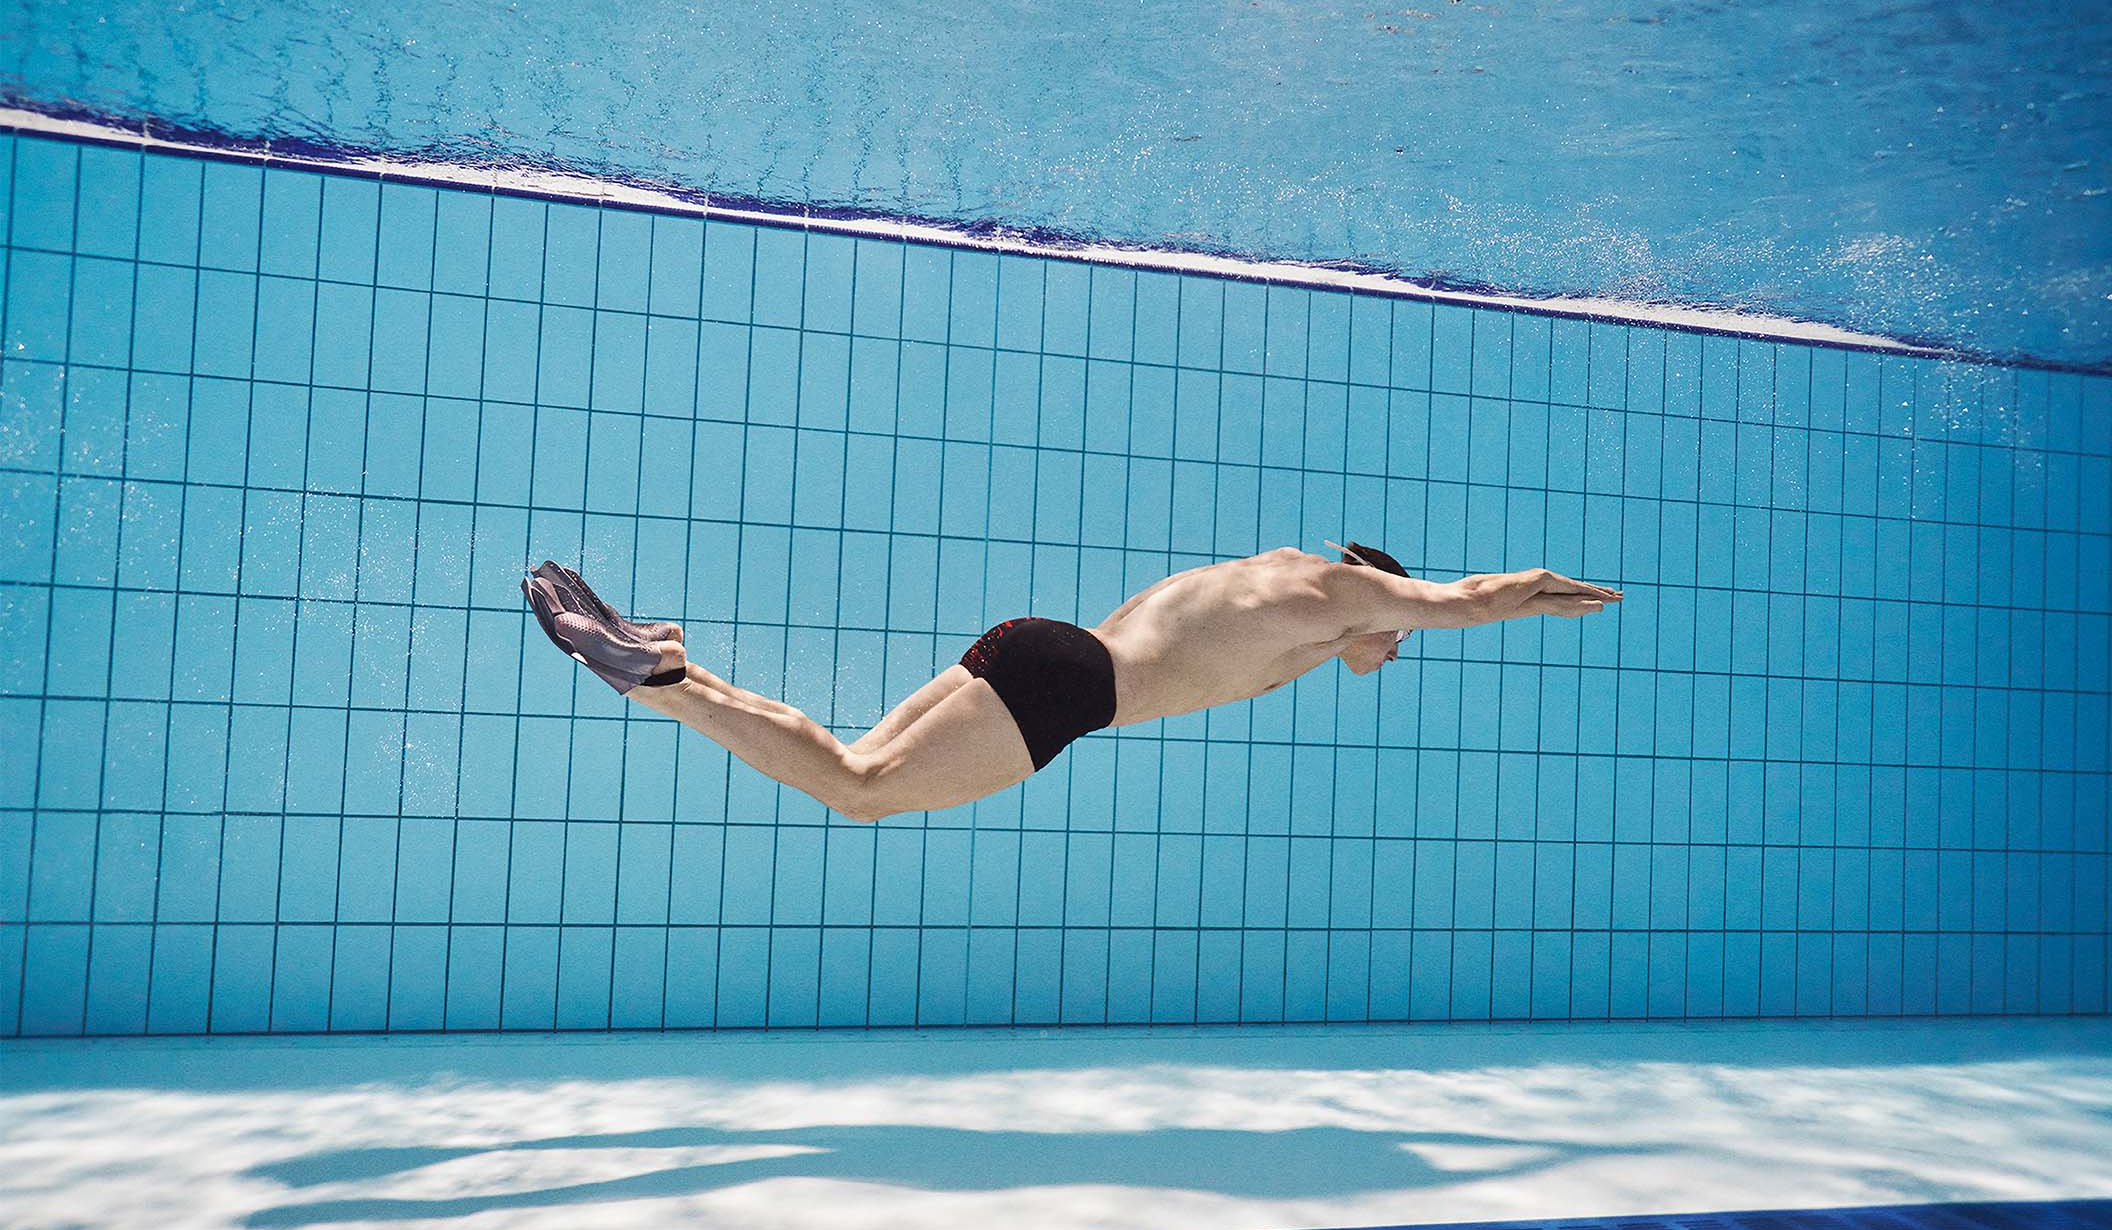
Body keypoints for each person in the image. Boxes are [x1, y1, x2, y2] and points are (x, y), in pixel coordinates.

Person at [523, 543, 1620, 823]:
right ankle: (658, 675)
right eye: (1397, 629)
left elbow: (1332, 643)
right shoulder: (1344, 598)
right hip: (1070, 689)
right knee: (858, 793)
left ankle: (666, 660)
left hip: (1038, 645)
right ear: (1382, 597)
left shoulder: (1278, 583)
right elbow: (1470, 593)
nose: (1391, 651)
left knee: (854, 763)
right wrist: (1546, 593)